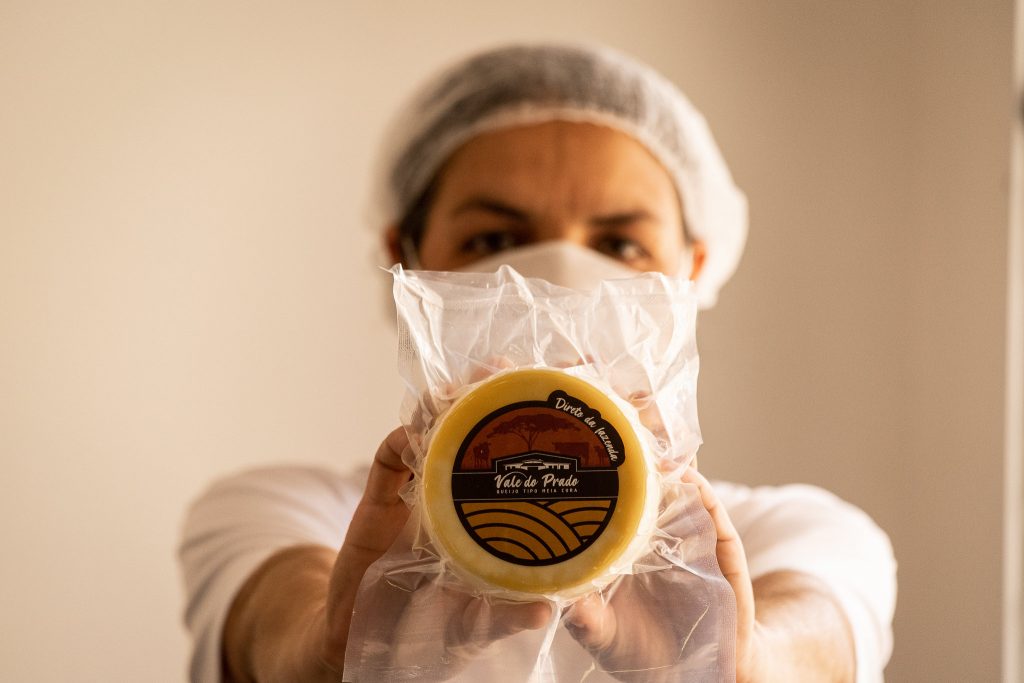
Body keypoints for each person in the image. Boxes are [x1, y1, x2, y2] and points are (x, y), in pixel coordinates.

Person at [179, 43, 896, 682]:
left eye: (620, 245)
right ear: (406, 259)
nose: (555, 278)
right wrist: (336, 648)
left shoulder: (794, 532)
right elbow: (277, 637)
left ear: (692, 270)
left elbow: (814, 642)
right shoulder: (289, 512)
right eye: (495, 239)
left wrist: (738, 666)